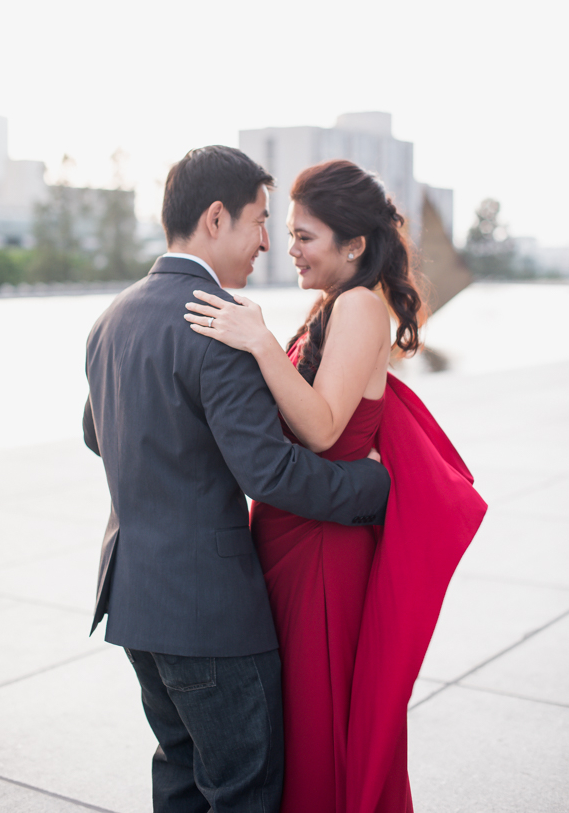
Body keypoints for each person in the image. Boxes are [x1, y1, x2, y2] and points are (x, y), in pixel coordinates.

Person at [82, 146, 391, 813]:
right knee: (242, 790)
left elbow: (94, 431)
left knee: (181, 774)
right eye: (258, 221)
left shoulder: (114, 317)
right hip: (208, 612)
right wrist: (375, 489)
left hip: (134, 598)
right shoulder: (217, 323)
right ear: (216, 218)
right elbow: (270, 471)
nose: (264, 243)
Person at [184, 159, 488, 813]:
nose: (284, 248)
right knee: (292, 726)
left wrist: (261, 343)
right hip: (292, 534)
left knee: (317, 726)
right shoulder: (329, 305)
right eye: (286, 232)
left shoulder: (357, 306)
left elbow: (321, 429)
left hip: (322, 552)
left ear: (352, 244)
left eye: (303, 236)